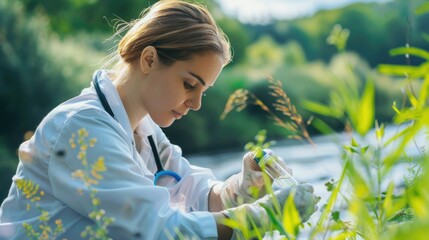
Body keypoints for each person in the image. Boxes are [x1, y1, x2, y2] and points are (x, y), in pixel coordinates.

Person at [0, 0, 318, 239]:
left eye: (203, 91)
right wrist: (267, 214)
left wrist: (246, 186)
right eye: (189, 84)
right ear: (149, 59)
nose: (195, 103)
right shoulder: (81, 129)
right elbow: (159, 231)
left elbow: (199, 196)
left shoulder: (146, 133)